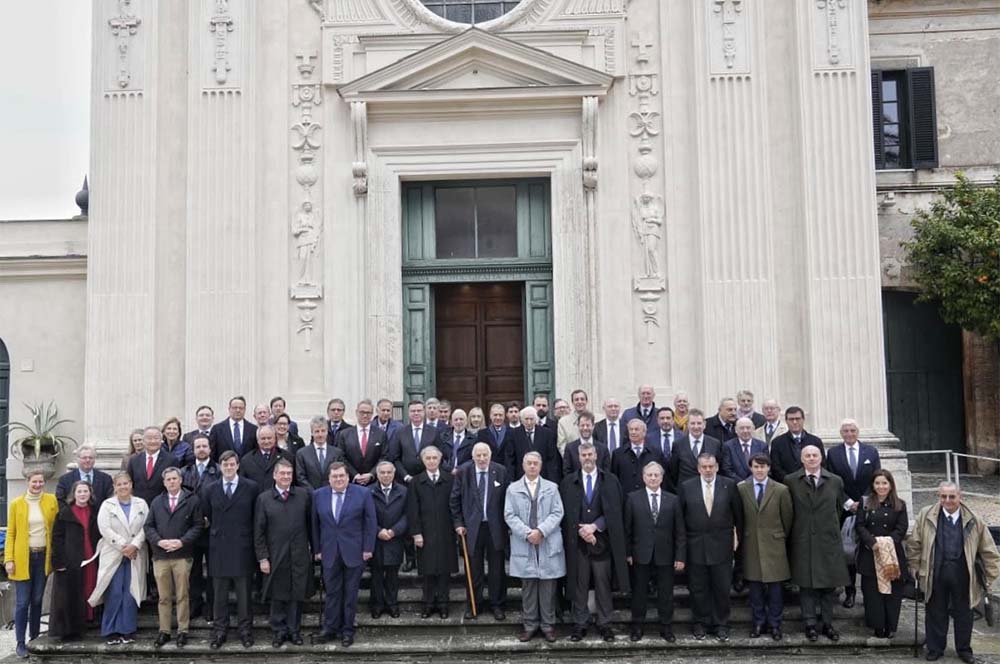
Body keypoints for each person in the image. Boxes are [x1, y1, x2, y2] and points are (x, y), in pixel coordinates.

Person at [906, 481, 1000, 663]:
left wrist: (990, 576)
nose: (947, 500)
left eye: (951, 496)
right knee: (935, 611)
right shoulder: (926, 515)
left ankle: (964, 649)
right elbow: (914, 544)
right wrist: (915, 566)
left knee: (964, 613)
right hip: (935, 571)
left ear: (960, 496)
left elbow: (989, 551)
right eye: (943, 496)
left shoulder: (974, 519)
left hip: (963, 573)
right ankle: (935, 648)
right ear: (938, 496)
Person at [561, 441, 629, 642]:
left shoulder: (610, 480)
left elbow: (617, 510)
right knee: (579, 584)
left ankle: (605, 623)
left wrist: (595, 526)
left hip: (603, 543)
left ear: (596, 456)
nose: (588, 458)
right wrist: (582, 529)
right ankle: (580, 623)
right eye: (584, 455)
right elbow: (564, 513)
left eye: (591, 454)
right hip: (578, 543)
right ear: (579, 458)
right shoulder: (569, 481)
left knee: (603, 584)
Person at [786, 445, 849, 642]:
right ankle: (810, 623)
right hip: (803, 539)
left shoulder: (835, 481)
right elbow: (788, 510)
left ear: (821, 458)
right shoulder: (791, 481)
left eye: (815, 455)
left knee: (828, 586)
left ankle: (828, 623)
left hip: (827, 540)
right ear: (802, 459)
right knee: (806, 585)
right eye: (807, 456)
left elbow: (839, 509)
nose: (812, 458)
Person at [677, 452, 743, 641]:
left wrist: (738, 545)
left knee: (721, 588)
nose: (707, 470)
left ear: (717, 467)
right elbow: (680, 520)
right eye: (704, 467)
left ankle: (721, 624)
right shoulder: (687, 487)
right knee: (698, 588)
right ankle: (700, 622)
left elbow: (738, 517)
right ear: (698, 468)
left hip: (722, 546)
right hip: (695, 546)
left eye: (711, 466)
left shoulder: (729, 485)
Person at [311, 462, 377, 647]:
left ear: (348, 477)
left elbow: (370, 523)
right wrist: (317, 550)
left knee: (350, 594)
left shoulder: (362, 494)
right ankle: (330, 628)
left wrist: (368, 548)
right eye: (334, 477)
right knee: (332, 593)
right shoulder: (318, 495)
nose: (338, 479)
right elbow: (315, 525)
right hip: (329, 552)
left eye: (342, 476)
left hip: (354, 552)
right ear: (329, 478)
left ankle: (347, 630)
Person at [504, 451, 565, 643]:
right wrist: (527, 533)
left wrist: (541, 530)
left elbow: (558, 512)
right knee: (529, 586)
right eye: (529, 463)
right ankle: (529, 626)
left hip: (546, 541)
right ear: (523, 465)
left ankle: (548, 626)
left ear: (540, 466)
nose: (532, 466)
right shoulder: (513, 489)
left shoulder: (552, 487)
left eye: (535, 464)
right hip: (525, 542)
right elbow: (509, 515)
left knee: (548, 586)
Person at [202, 451, 259, 649]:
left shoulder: (251, 488)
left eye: (232, 464)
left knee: (244, 594)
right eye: (224, 464)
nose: (228, 467)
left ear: (237, 465)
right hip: (219, 548)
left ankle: (245, 630)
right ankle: (220, 631)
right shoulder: (210, 489)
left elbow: (255, 516)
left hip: (243, 547)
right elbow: (208, 513)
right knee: (220, 595)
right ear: (220, 466)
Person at [624, 461, 685, 642]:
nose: (652, 478)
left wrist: (680, 556)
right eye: (649, 475)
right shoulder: (632, 498)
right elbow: (627, 529)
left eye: (656, 475)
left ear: (661, 477)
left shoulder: (672, 500)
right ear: (643, 477)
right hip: (640, 554)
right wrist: (628, 553)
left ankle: (666, 627)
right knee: (639, 593)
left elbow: (680, 531)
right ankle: (637, 627)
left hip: (665, 555)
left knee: (666, 594)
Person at [254, 458, 312, 648]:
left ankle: (294, 631)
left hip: (299, 554)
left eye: (289, 473)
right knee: (278, 595)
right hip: (275, 554)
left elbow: (311, 525)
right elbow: (259, 531)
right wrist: (263, 557)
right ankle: (279, 631)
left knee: (296, 594)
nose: (286, 477)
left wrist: (315, 549)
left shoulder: (303, 495)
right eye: (282, 473)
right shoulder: (264, 498)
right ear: (275, 475)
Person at [144, 466, 203, 649]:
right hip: (161, 555)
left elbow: (198, 525)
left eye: (174, 479)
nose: (171, 482)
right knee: (163, 596)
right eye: (168, 479)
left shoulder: (192, 500)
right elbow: (148, 526)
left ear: (180, 480)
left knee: (183, 595)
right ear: (164, 482)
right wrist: (159, 542)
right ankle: (164, 630)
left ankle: (183, 630)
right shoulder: (156, 502)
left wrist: (182, 541)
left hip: (182, 555)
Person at [825, 418, 881, 608]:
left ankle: (869, 592)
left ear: (858, 432)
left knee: (868, 548)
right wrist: (847, 502)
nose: (849, 434)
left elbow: (877, 478)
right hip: (844, 509)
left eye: (853, 430)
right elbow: (831, 480)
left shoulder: (871, 452)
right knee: (847, 551)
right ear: (841, 433)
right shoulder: (833, 453)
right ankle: (850, 591)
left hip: (868, 507)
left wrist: (864, 501)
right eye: (846, 431)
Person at [450, 442, 509, 620]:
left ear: (490, 456)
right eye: (479, 455)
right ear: (473, 456)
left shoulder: (500, 471)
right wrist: (458, 523)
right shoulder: (464, 472)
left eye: (485, 455)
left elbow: (507, 498)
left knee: (497, 569)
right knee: (473, 570)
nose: (482, 458)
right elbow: (454, 500)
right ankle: (474, 604)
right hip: (471, 529)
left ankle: (497, 604)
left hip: (495, 528)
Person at [89, 473, 148, 647]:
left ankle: (127, 630)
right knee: (114, 592)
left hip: (135, 554)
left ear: (131, 484)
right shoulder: (107, 505)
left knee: (130, 592)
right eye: (119, 484)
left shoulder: (141, 504)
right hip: (114, 552)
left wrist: (135, 545)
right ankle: (110, 630)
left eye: (126, 483)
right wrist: (124, 546)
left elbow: (147, 527)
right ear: (114, 486)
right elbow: (104, 529)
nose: (123, 487)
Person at [737, 454, 793, 640]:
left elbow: (787, 518)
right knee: (755, 589)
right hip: (751, 544)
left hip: (774, 545)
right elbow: (740, 517)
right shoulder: (742, 488)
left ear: (769, 468)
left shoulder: (781, 490)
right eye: (756, 466)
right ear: (750, 468)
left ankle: (775, 624)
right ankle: (758, 622)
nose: (759, 470)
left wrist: (779, 535)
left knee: (776, 589)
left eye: (763, 467)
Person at [5, 470, 59, 658]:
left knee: (37, 600)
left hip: (42, 557)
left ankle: (34, 637)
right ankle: (20, 642)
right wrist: (9, 559)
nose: (37, 485)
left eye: (41, 482)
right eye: (34, 481)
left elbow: (56, 528)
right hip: (23, 558)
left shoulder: (51, 501)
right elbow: (11, 533)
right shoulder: (17, 504)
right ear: (27, 482)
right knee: (22, 602)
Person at [855, 469, 908, 639]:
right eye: (877, 483)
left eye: (884, 483)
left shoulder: (900, 504)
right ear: (873, 485)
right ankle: (877, 625)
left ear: (890, 485)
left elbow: (902, 527)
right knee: (872, 593)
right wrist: (872, 542)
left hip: (892, 555)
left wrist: (888, 542)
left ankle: (890, 626)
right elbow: (860, 525)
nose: (881, 486)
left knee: (893, 594)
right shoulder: (865, 503)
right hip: (870, 554)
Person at [407, 447, 458, 619]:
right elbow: (412, 510)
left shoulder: (449, 479)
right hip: (425, 532)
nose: (431, 461)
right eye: (428, 458)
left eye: (434, 458)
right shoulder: (416, 482)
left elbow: (455, 505)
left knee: (444, 569)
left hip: (446, 531)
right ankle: (428, 604)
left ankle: (443, 604)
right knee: (428, 570)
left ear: (440, 458)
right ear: (423, 460)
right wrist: (416, 533)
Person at [49, 481, 101, 642]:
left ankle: (89, 620)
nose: (83, 494)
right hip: (71, 559)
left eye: (85, 491)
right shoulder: (64, 513)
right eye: (79, 491)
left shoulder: (95, 511)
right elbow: (57, 538)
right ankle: (71, 629)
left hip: (91, 556)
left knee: (89, 587)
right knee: (70, 594)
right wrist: (59, 561)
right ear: (74, 494)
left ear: (90, 493)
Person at [180, 434, 217, 620]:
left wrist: (210, 518)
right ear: (193, 450)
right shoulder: (184, 471)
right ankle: (195, 603)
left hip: (212, 530)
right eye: (198, 447)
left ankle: (211, 605)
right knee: (193, 570)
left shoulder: (218, 470)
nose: (201, 449)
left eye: (204, 446)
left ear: (210, 449)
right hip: (191, 530)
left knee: (212, 570)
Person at [370, 461, 408, 619]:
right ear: (377, 475)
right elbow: (366, 516)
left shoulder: (404, 491)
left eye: (389, 472)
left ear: (394, 474)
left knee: (393, 574)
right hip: (376, 539)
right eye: (382, 473)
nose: (386, 475)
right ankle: (377, 605)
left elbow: (407, 515)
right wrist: (378, 531)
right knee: (376, 574)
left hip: (395, 538)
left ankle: (392, 604)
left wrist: (394, 531)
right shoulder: (368, 491)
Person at [336, 399, 388, 486]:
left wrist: (371, 474)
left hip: (373, 483)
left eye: (368, 413)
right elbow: (341, 457)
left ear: (372, 414)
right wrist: (355, 475)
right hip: (351, 482)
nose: (365, 415)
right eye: (362, 412)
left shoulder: (381, 434)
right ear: (356, 412)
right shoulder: (345, 434)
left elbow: (384, 457)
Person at [506, 406, 561, 484]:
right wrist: (511, 480)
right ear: (521, 420)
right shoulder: (513, 434)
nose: (529, 422)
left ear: (536, 420)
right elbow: (510, 459)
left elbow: (551, 459)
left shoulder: (546, 433)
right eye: (526, 419)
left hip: (543, 477)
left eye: (531, 419)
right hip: (520, 478)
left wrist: (553, 480)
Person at [769, 406, 824, 483]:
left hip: (811, 484)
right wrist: (791, 481)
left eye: (797, 419)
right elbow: (775, 467)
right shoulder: (777, 443)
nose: (794, 422)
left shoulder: (815, 441)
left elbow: (822, 464)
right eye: (791, 419)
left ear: (803, 420)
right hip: (786, 486)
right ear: (786, 421)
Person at [611, 419, 666, 496]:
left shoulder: (656, 453)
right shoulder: (618, 454)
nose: (633, 432)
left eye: (636, 429)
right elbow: (614, 480)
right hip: (625, 499)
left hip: (647, 500)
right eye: (631, 429)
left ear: (644, 432)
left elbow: (662, 479)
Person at [669, 409, 721, 489]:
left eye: (699, 423)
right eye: (692, 423)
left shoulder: (715, 443)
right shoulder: (678, 444)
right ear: (688, 425)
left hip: (708, 489)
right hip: (685, 489)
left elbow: (718, 467)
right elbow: (674, 471)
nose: (696, 427)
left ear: (704, 424)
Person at [127, 426, 178, 506]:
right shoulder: (134, 460)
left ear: (161, 440)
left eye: (156, 438)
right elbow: (129, 483)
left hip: (163, 506)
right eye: (149, 438)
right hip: (138, 506)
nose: (153, 441)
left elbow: (175, 486)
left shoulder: (171, 460)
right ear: (143, 441)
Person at [240, 425, 296, 493]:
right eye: (263, 438)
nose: (266, 441)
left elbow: (293, 482)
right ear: (258, 440)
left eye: (269, 438)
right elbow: (243, 486)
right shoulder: (247, 460)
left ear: (275, 439)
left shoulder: (287, 457)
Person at [296, 416, 345, 490]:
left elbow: (340, 474)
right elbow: (300, 477)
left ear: (327, 432)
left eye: (323, 431)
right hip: (310, 496)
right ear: (312, 433)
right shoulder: (302, 453)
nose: (320, 435)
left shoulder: (337, 453)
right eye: (317, 431)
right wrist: (314, 493)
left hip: (331, 493)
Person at [209, 395, 258, 460]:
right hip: (225, 468)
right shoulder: (217, 429)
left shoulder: (253, 429)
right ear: (229, 409)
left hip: (247, 468)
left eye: (241, 408)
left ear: (245, 410)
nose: (238, 410)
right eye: (235, 408)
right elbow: (212, 453)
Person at [441, 408, 476, 473]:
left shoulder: (473, 439)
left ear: (466, 421)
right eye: (456, 419)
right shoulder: (443, 437)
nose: (458, 422)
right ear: (451, 422)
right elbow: (439, 456)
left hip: (464, 474)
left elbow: (473, 459)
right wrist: (450, 469)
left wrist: (459, 469)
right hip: (445, 474)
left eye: (461, 419)